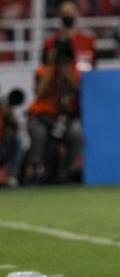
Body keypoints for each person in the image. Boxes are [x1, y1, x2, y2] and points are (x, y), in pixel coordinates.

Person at [26, 36, 84, 184]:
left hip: (65, 117)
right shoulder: (42, 71)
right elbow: (39, 92)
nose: (62, 59)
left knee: (76, 133)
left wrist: (67, 74)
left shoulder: (74, 71)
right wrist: (51, 68)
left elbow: (78, 91)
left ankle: (69, 171)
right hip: (42, 116)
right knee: (39, 132)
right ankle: (37, 169)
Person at [43, 0, 96, 72]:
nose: (68, 15)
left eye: (71, 12)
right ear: (59, 15)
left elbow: (94, 67)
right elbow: (44, 69)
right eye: (65, 13)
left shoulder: (88, 40)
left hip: (84, 81)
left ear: (78, 13)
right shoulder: (50, 41)